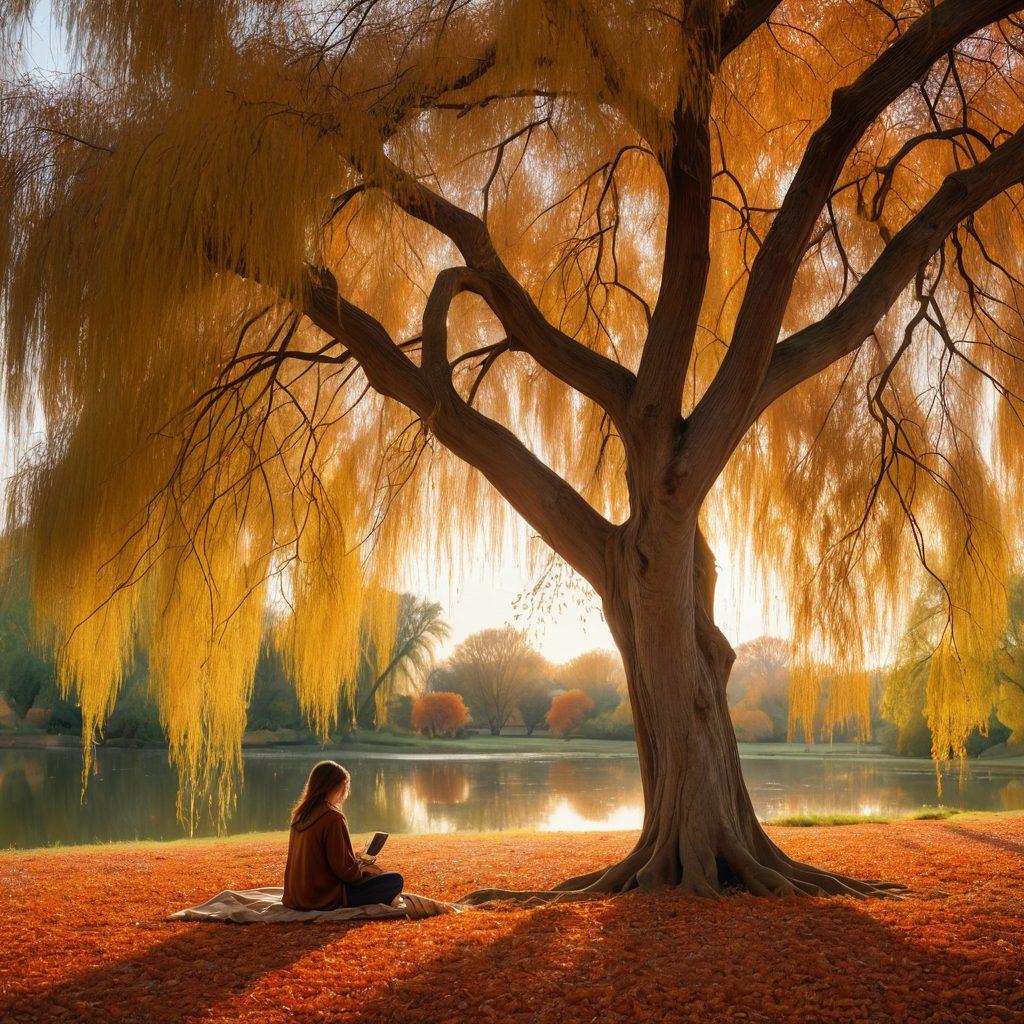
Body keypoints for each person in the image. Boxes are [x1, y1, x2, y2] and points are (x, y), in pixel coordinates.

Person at [283, 760, 404, 910]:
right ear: (335, 787)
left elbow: (320, 859)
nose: (345, 794)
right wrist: (362, 869)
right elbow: (346, 873)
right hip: (322, 897)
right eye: (345, 787)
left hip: (296, 896)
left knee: (377, 877)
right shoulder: (332, 817)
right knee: (394, 880)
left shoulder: (300, 815)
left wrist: (355, 858)